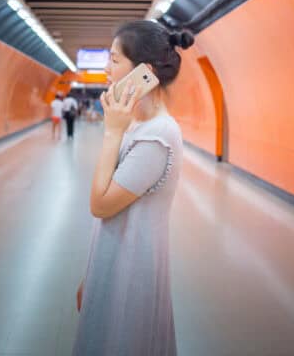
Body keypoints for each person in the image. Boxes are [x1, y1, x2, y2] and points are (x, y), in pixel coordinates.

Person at [72, 20, 194, 356]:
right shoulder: (137, 125)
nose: (106, 69)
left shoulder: (158, 136)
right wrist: (92, 274)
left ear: (145, 72)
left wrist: (112, 133)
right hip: (112, 263)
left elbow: (100, 204)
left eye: (113, 60)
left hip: (132, 274)